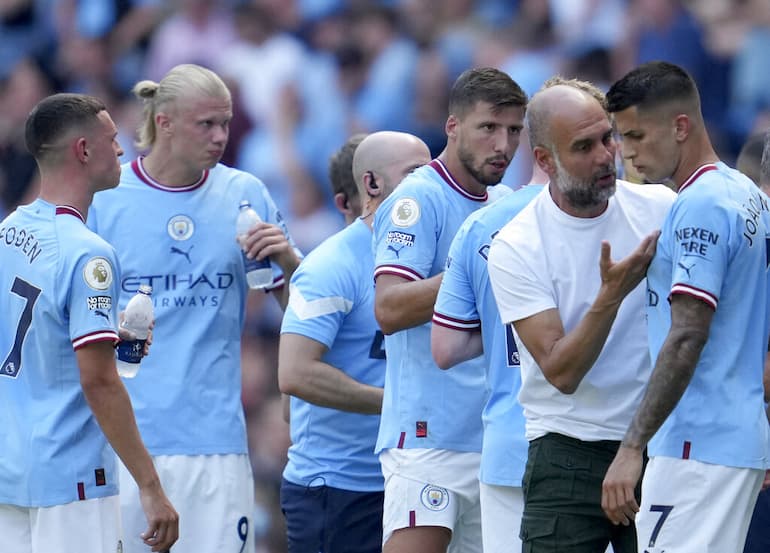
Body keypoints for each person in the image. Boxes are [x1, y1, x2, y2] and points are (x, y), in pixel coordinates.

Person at [87, 64, 301, 553]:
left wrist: (289, 261)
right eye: (206, 124)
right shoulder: (107, 200)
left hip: (216, 442)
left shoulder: (244, 194)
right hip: (125, 443)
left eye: (225, 123)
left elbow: (299, 311)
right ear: (163, 122)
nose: (221, 136)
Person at [487, 77, 676, 553]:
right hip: (567, 451)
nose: (605, 155)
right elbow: (561, 371)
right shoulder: (516, 245)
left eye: (608, 137)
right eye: (584, 146)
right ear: (545, 161)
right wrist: (611, 295)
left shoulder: (661, 207)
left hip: (659, 440)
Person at [602, 60, 770, 553]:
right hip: (731, 435)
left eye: (635, 136)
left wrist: (632, 446)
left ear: (680, 127)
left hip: (698, 441)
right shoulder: (745, 194)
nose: (626, 152)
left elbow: (688, 333)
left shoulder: (700, 205)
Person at [0, 93, 178, 553]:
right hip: (69, 474)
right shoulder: (89, 253)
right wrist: (150, 485)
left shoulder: (6, 232)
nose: (121, 150)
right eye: (112, 139)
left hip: (9, 467)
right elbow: (99, 381)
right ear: (83, 150)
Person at [372, 67, 527, 553]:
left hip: (495, 441)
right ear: (453, 126)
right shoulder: (418, 198)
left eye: (515, 130)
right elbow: (390, 308)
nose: (502, 144)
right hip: (427, 439)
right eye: (489, 128)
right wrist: (468, 274)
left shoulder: (507, 204)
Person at [278, 130, 431, 553]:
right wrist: (397, 402)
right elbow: (294, 373)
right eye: (415, 174)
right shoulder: (332, 264)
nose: (430, 184)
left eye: (432, 172)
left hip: (417, 476)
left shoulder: (436, 251)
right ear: (372, 185)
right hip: (341, 485)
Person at [431, 164, 547, 553]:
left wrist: (508, 329)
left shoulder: (481, 225)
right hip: (597, 446)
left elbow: (446, 348)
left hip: (507, 446)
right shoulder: (624, 215)